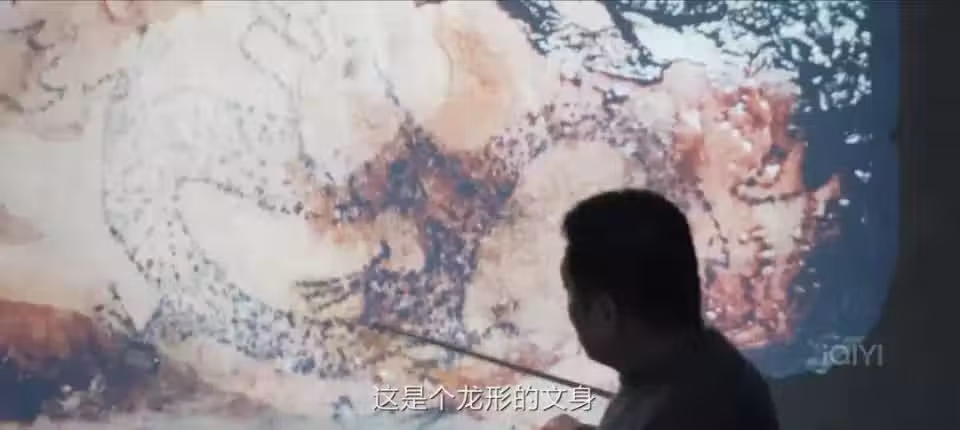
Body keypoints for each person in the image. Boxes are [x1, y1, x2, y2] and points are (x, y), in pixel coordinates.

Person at [542, 189, 779, 430]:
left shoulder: (678, 411)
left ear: (606, 312)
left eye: (571, 293)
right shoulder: (710, 363)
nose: (572, 312)